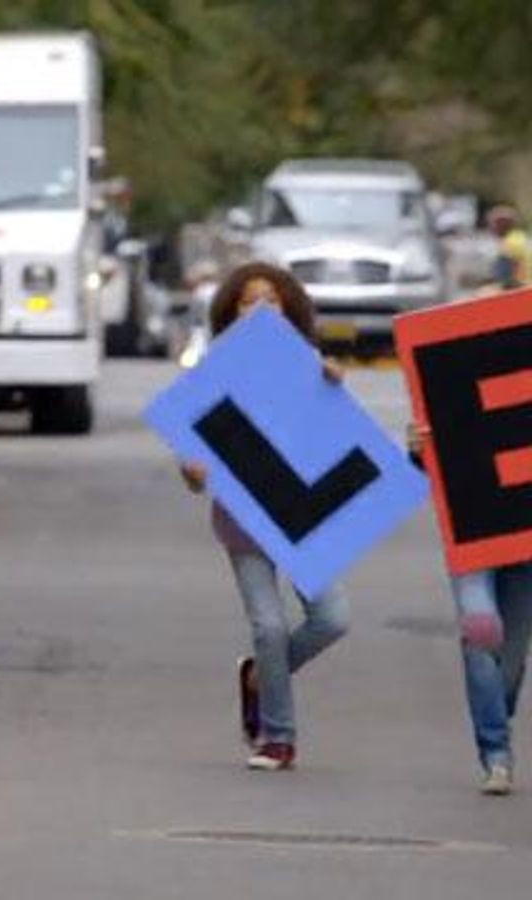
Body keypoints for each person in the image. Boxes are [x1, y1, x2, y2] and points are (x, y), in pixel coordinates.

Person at [178, 262, 350, 771]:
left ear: (288, 308)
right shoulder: (211, 376)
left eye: (270, 300)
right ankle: (277, 737)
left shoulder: (310, 364)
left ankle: (260, 677)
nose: (260, 309)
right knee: (270, 627)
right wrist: (193, 470)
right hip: (242, 520)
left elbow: (336, 442)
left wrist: (334, 385)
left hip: (302, 516)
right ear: (230, 313)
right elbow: (192, 474)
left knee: (333, 619)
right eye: (247, 300)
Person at [407, 422, 531, 795]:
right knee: (480, 630)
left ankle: (494, 711)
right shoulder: (453, 362)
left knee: (509, 663)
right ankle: (496, 755)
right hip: (472, 532)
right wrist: (418, 451)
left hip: (526, 541)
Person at [486, 205, 532, 289]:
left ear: (502, 225)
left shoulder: (509, 243)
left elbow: (506, 278)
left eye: (493, 224)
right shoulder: (519, 236)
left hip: (521, 288)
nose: (491, 228)